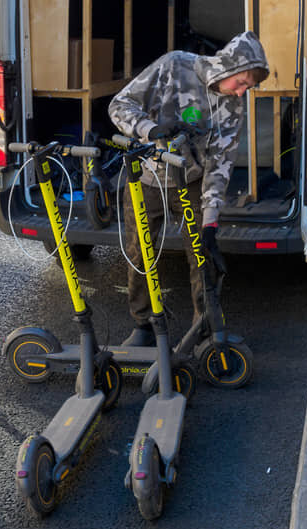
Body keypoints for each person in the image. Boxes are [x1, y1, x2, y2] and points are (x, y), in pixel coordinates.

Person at [108, 31, 269, 347]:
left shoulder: (233, 106)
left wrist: (210, 221)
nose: (241, 93)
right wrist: (150, 130)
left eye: (248, 88)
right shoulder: (175, 65)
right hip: (146, 175)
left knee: (201, 253)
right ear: (227, 67)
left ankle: (202, 328)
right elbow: (119, 104)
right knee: (139, 252)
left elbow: (221, 162)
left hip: (191, 179)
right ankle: (144, 323)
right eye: (242, 83)